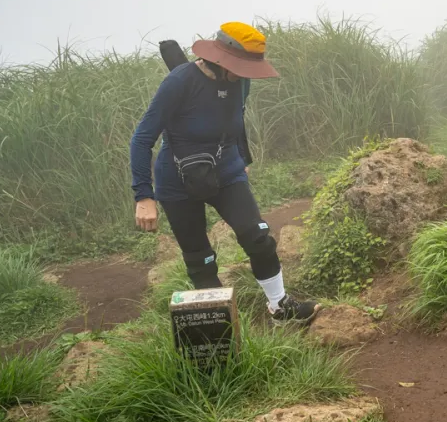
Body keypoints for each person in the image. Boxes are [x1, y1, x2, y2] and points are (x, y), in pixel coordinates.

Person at [130, 22, 319, 324]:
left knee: (258, 238)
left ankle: (279, 306)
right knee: (200, 259)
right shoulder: (180, 82)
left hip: (226, 170)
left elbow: (235, 119)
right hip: (177, 180)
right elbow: (142, 138)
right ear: (219, 59)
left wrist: (240, 157)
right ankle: (222, 328)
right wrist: (143, 196)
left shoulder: (241, 81)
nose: (244, 74)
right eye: (240, 66)